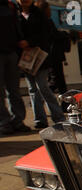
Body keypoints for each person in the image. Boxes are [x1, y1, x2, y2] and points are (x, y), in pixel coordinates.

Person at [17, 0, 65, 129]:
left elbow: (45, 35)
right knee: (32, 89)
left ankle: (58, 116)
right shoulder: (15, 14)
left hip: (40, 57)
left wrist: (29, 42)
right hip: (25, 58)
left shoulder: (39, 14)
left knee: (42, 86)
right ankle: (40, 119)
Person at [0, 0, 31, 135]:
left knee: (14, 90)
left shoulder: (12, 6)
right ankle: (4, 122)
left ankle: (18, 120)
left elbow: (17, 26)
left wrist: (21, 39)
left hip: (12, 52)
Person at [36, 0, 69, 111]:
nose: (50, 11)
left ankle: (41, 102)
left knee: (53, 82)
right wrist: (64, 34)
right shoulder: (47, 22)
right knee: (57, 82)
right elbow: (55, 36)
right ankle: (63, 105)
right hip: (54, 57)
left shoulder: (42, 22)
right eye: (48, 9)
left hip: (51, 56)